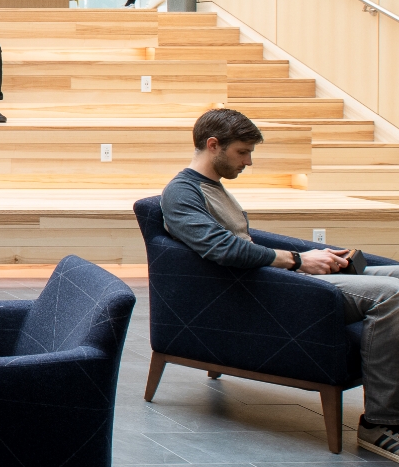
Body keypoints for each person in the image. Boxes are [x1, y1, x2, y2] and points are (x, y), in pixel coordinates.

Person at [161, 108, 399, 462]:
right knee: (393, 297)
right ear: (214, 146)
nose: (249, 161)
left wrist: (312, 255)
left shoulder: (213, 188)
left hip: (280, 279)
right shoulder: (181, 194)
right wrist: (300, 261)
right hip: (266, 293)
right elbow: (223, 249)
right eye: (243, 152)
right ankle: (378, 423)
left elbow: (247, 242)